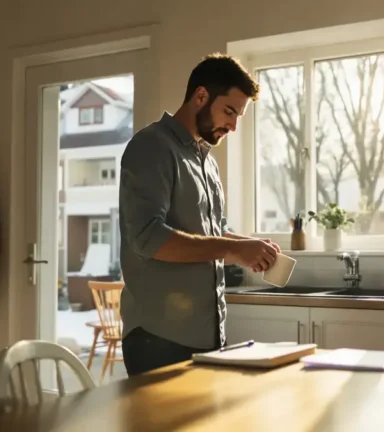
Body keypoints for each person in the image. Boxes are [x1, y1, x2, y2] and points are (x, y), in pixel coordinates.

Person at [119, 53, 281, 375]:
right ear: (201, 96)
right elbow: (148, 238)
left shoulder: (206, 160)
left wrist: (249, 246)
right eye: (229, 111)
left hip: (205, 335)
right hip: (157, 338)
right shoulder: (151, 147)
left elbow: (212, 231)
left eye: (239, 116)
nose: (233, 126)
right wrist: (233, 249)